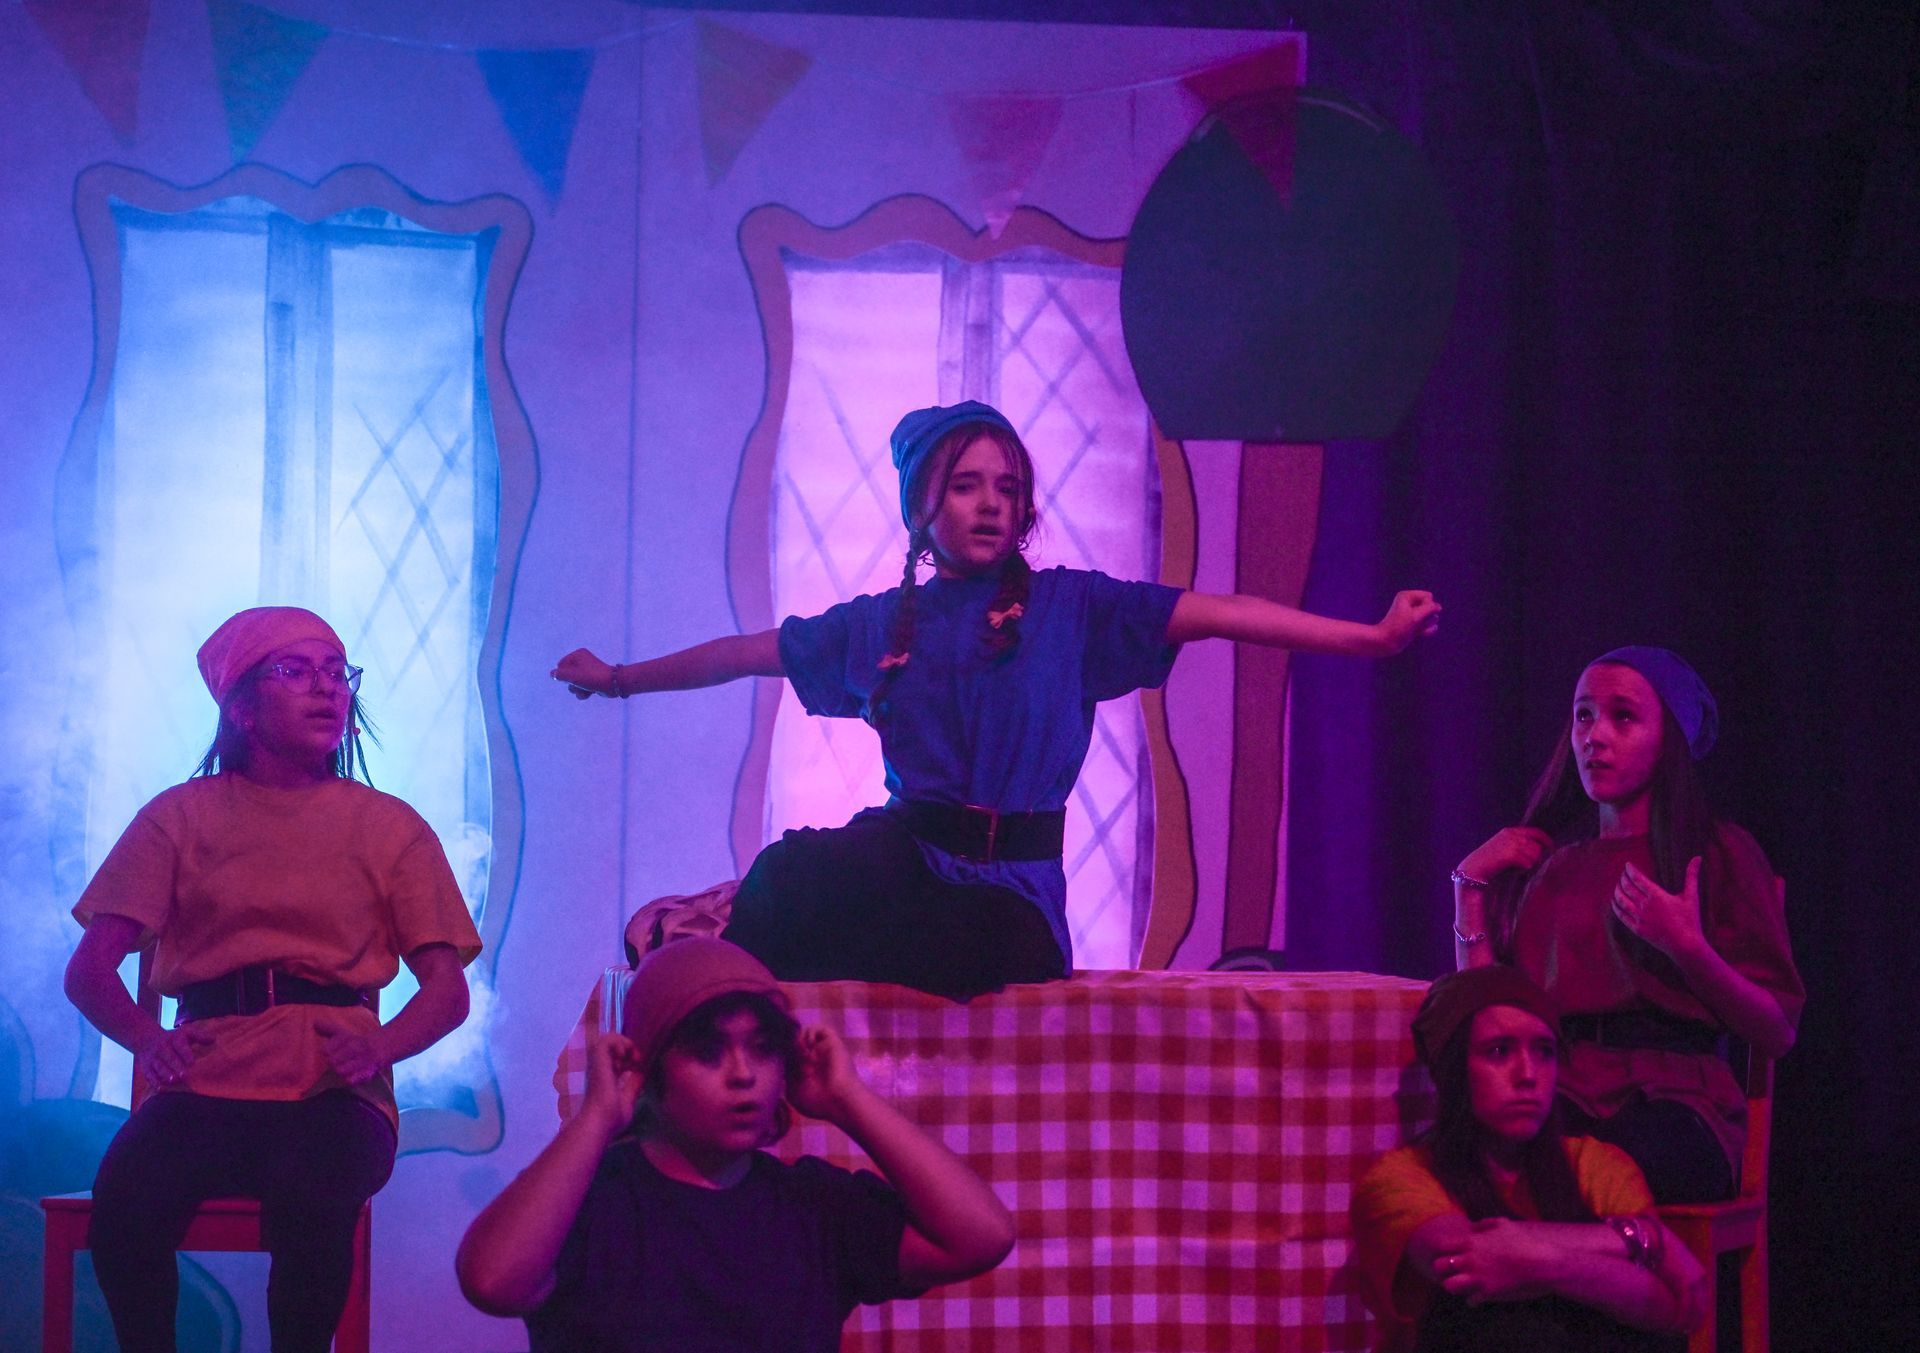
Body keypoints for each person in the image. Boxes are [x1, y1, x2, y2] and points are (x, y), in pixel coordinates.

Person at [554, 401, 1441, 996]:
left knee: (975, 949)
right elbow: (746, 654)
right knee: (796, 872)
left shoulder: (1074, 608)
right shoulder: (879, 624)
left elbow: (1222, 613)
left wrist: (1370, 637)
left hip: (1010, 898)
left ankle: (726, 942)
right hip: (905, 853)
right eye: (966, 484)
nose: (990, 504)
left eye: (1007, 488)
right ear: (922, 505)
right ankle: (699, 967)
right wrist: (619, 677)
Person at [64, 606, 482, 1353]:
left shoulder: (390, 825)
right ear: (241, 707)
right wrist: (146, 1039)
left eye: (338, 672)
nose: (327, 688)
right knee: (126, 1200)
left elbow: (447, 992)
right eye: (296, 671)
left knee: (313, 1194)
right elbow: (90, 970)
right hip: (205, 1080)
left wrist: (381, 1046)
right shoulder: (177, 817)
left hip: (332, 1088)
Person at [456, 937, 1014, 1350]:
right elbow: (492, 1281)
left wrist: (849, 1100)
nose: (744, 1075)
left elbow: (981, 1237)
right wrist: (596, 1118)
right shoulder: (594, 1202)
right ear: (648, 1069)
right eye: (708, 1051)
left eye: (764, 1048)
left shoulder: (812, 1205)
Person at [1450, 646, 1802, 1202]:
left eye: (1624, 717)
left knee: (1588, 1170)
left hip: (1675, 1102)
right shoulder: (1556, 867)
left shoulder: (1718, 853)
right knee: (1462, 1160)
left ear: (1669, 741)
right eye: (1583, 715)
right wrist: (1469, 890)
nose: (1594, 736)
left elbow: (1776, 1031)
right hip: (1561, 1092)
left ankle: (1608, 1251)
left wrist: (1689, 949)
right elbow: (1488, 1020)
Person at [1351, 966, 1706, 1353]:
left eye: (1544, 1052)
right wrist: (1642, 1239)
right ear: (1453, 1069)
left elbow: (1671, 1308)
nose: (1528, 1075)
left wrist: (1544, 1262)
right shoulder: (1403, 1177)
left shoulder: (1595, 1163)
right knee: (1501, 1324)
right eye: (1499, 1051)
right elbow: (1471, 1260)